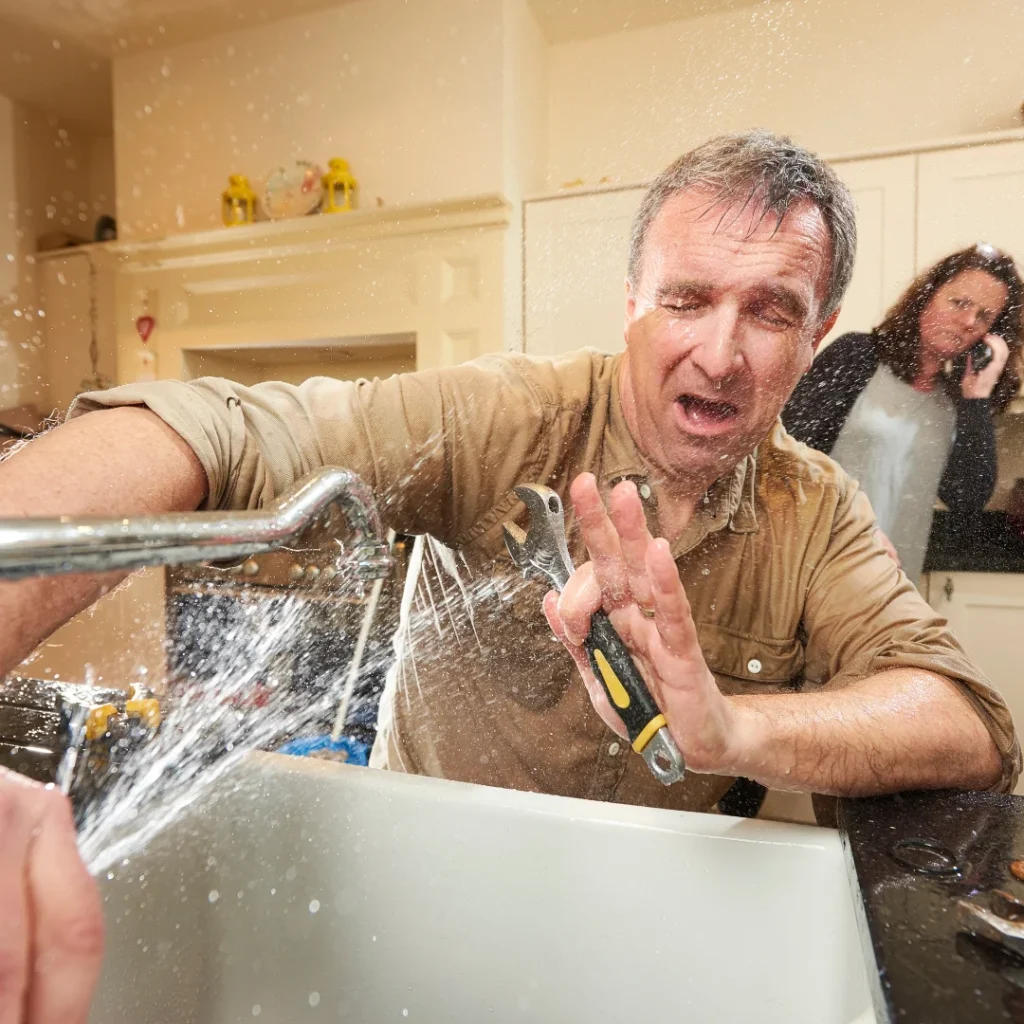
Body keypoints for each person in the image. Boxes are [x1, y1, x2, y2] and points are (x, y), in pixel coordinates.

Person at [0, 130, 1018, 1021]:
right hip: (415, 895)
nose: (720, 352)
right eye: (686, 298)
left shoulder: (819, 511)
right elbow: (213, 430)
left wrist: (736, 726)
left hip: (658, 917)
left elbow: (966, 724)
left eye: (769, 311)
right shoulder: (509, 419)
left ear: (816, 334)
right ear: (630, 301)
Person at [783, 245, 1023, 581]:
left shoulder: (956, 400)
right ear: (926, 297)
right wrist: (851, 531)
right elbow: (786, 458)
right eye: (959, 303)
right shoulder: (857, 356)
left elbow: (967, 497)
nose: (969, 321)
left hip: (895, 581)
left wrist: (976, 397)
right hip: (812, 567)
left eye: (984, 316)